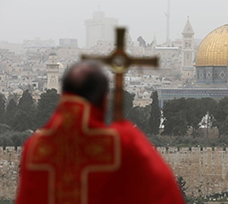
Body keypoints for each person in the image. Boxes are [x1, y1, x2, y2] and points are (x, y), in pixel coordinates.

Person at [15, 61, 185, 204]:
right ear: (104, 100)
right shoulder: (122, 142)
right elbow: (166, 195)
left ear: (63, 95)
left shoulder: (35, 146)